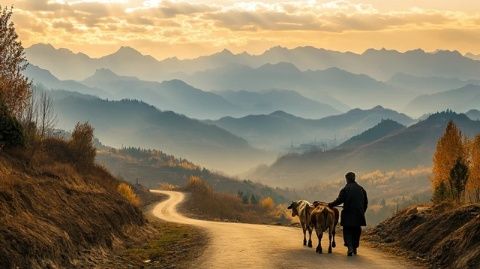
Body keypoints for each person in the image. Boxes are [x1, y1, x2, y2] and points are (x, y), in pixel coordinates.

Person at [328, 172, 368, 256]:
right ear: (354, 178)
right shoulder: (361, 189)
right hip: (359, 214)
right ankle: (355, 247)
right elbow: (365, 203)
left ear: (347, 179)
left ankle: (350, 248)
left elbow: (339, 200)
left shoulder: (345, 189)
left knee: (347, 230)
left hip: (348, 214)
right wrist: (362, 211)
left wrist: (330, 205)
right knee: (357, 230)